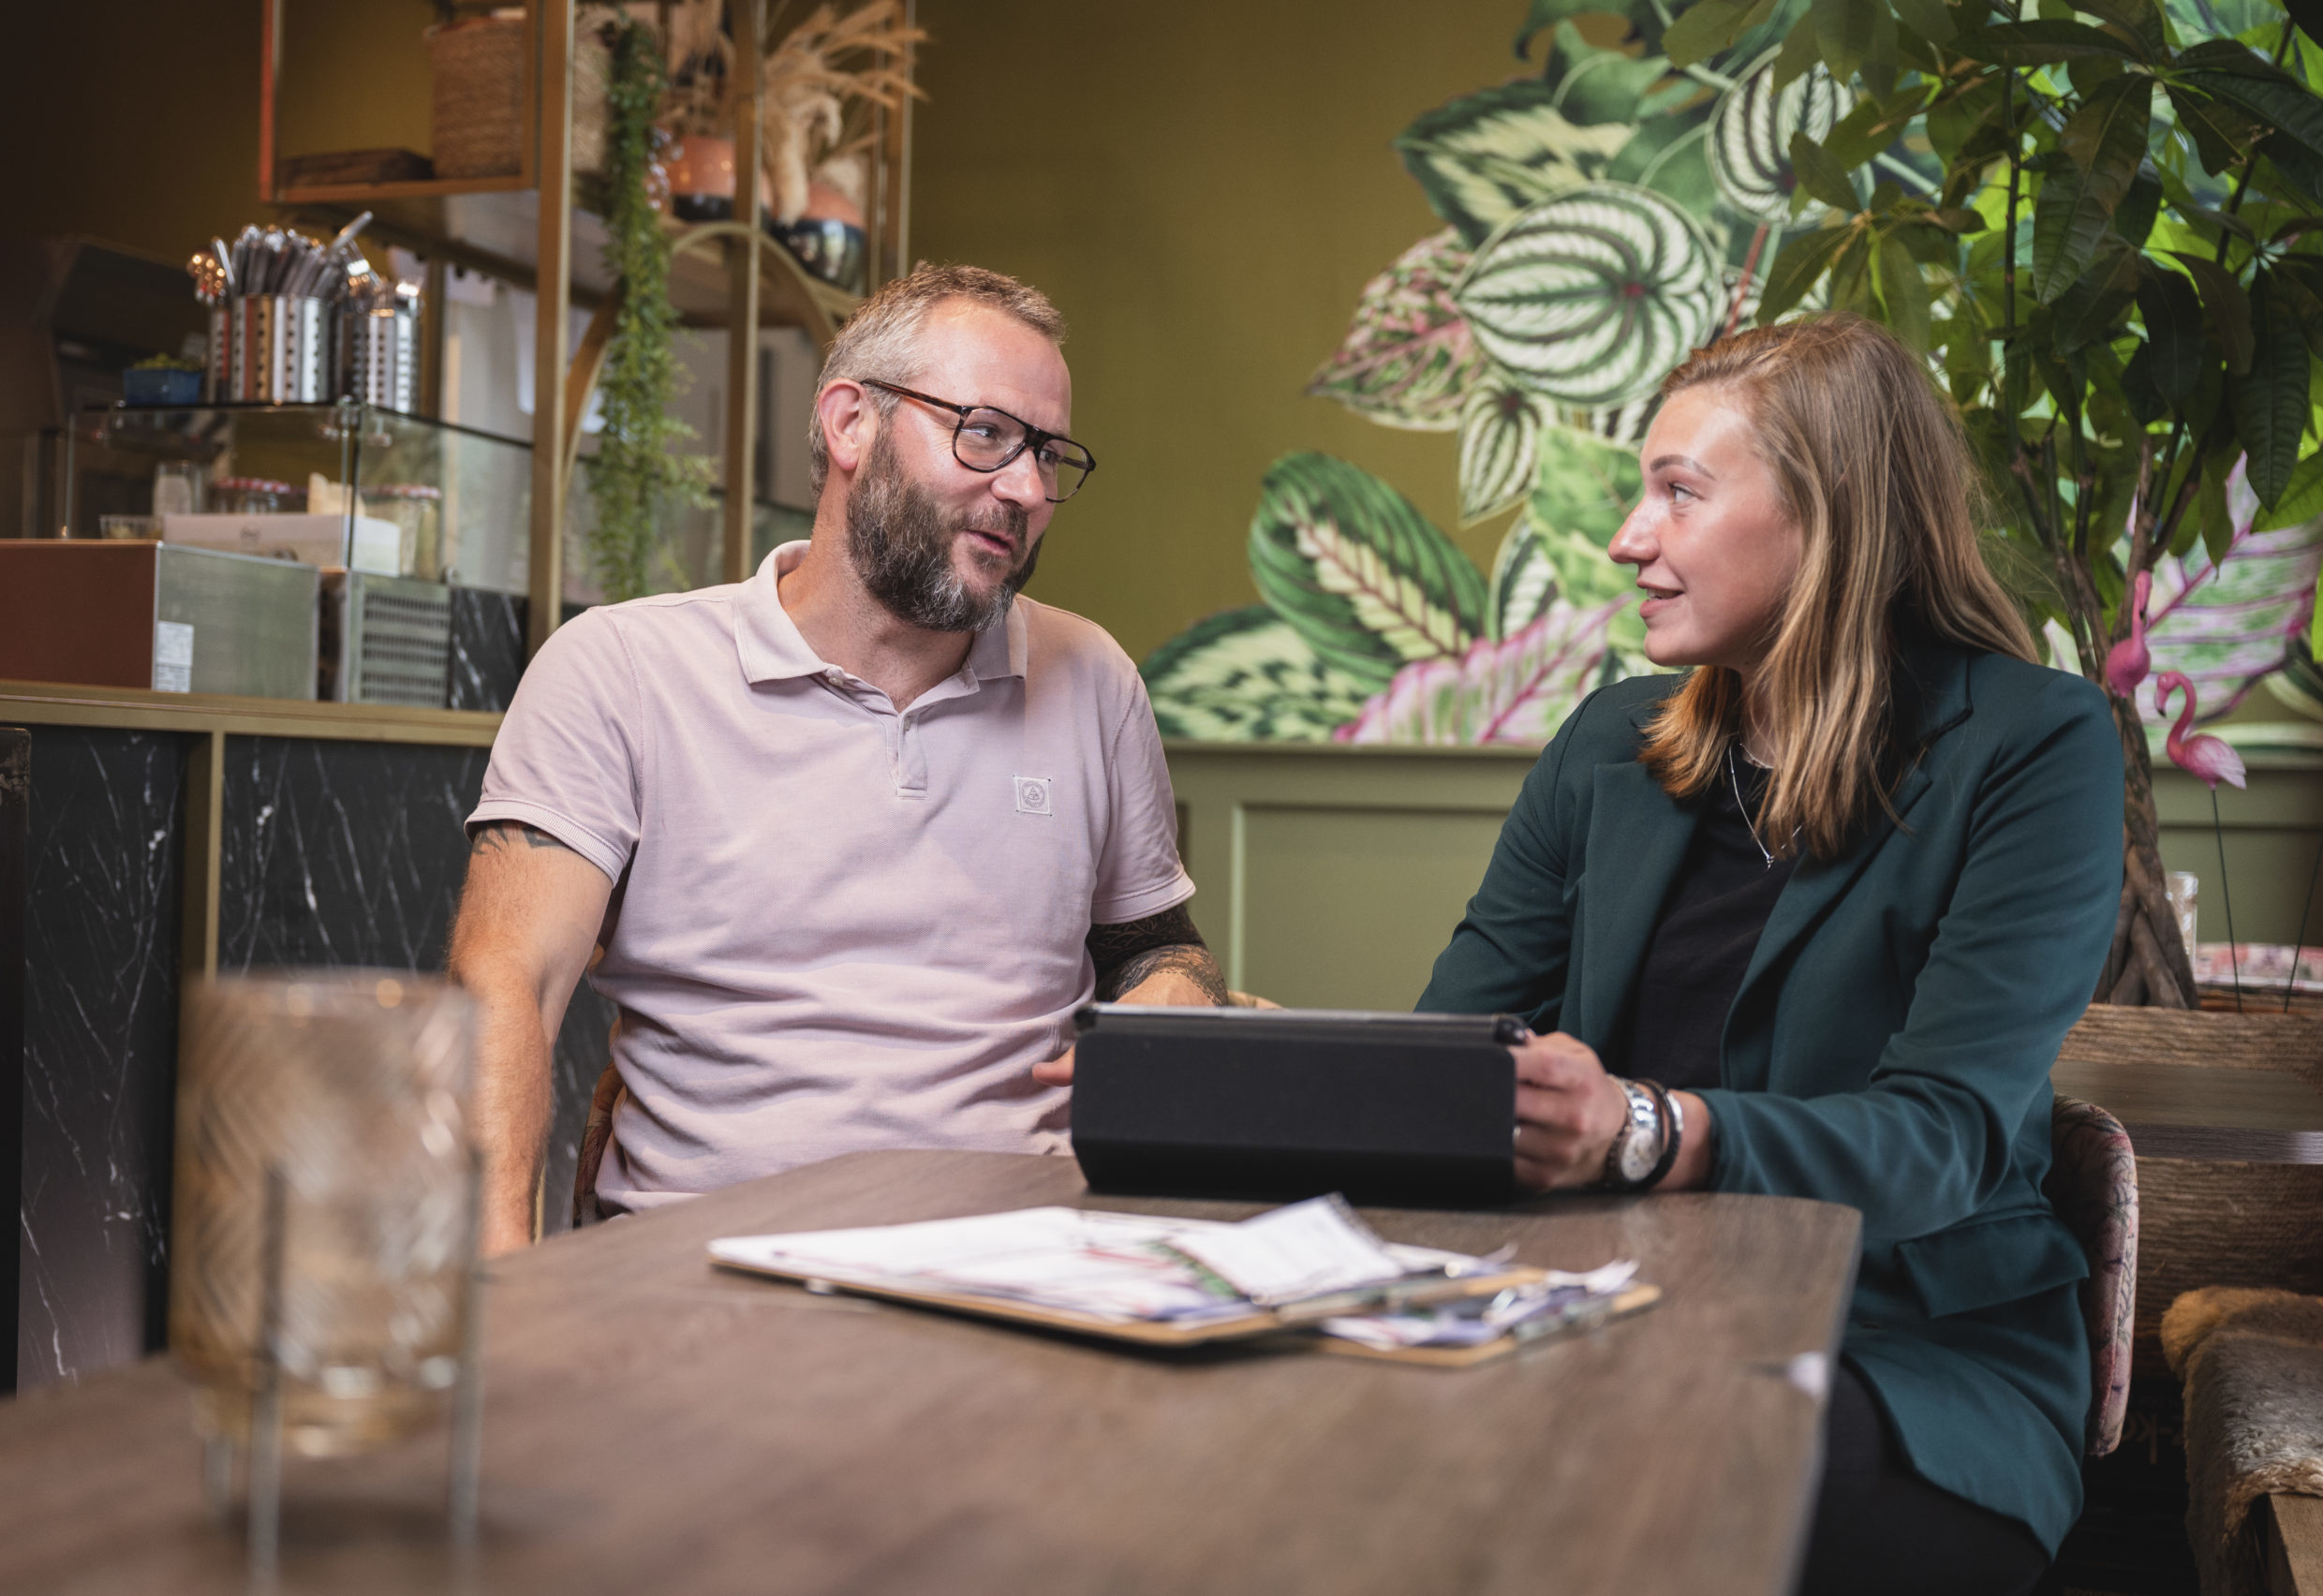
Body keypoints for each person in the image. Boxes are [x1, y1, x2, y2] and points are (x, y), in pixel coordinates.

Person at [1418, 315, 2120, 1594]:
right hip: (1604, 1314)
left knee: (1631, 1475)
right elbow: (1449, 1052)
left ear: (1830, 518)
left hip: (1908, 1364)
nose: (1630, 538)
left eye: (1679, 493)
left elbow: (1946, 1138)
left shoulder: (2032, 745)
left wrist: (1643, 1126)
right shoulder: (1607, 745)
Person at [449, 263, 1226, 1257]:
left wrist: (1173, 1001)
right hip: (701, 1288)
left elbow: (1157, 945)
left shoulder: (1093, 680)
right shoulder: (621, 670)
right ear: (850, 423)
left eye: (1047, 454)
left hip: (1027, 1276)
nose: (1027, 489)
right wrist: (496, 1299)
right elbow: (504, 983)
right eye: (985, 433)